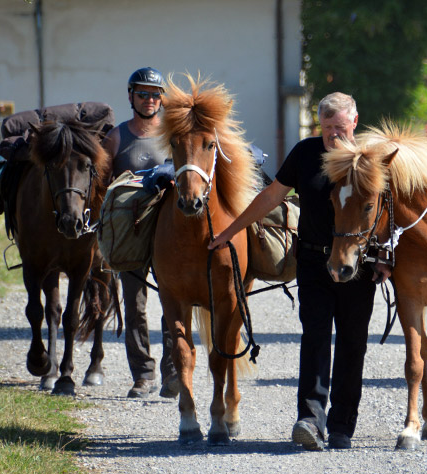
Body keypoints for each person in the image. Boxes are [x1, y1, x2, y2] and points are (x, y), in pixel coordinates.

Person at [209, 92, 380, 450]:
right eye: (328, 126)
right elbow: (272, 196)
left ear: (355, 121)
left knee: (353, 343)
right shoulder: (305, 153)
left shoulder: (368, 158)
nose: (334, 133)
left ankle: (342, 426)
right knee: (315, 338)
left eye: (341, 126)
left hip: (357, 267)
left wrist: (386, 258)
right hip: (315, 262)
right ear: (320, 125)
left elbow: (384, 213)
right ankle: (310, 420)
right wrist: (230, 231)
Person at [103, 67, 179, 399]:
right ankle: (143, 375)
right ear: (131, 96)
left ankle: (172, 371)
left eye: (155, 94)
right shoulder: (116, 138)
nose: (149, 100)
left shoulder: (173, 135)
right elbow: (102, 189)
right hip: (130, 231)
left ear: (161, 99)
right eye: (143, 94)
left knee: (172, 301)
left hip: (167, 233)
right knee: (134, 305)